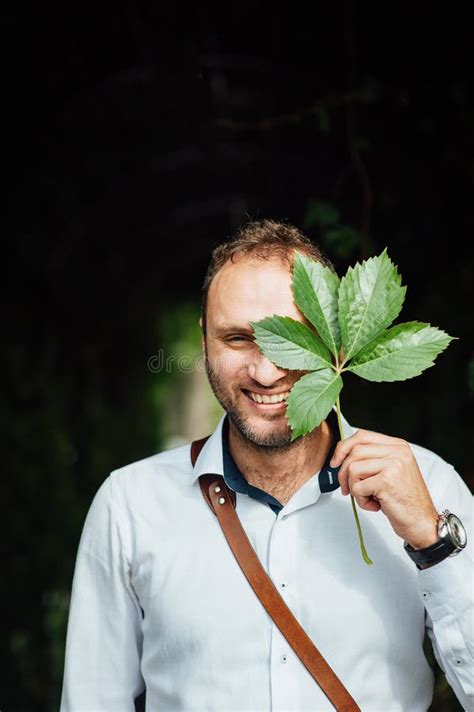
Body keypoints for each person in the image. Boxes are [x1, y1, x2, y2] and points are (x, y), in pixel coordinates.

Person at [60, 219, 473, 711]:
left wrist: (433, 544)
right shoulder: (128, 505)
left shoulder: (427, 484)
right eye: (237, 339)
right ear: (205, 341)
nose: (266, 370)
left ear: (336, 338)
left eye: (291, 339)